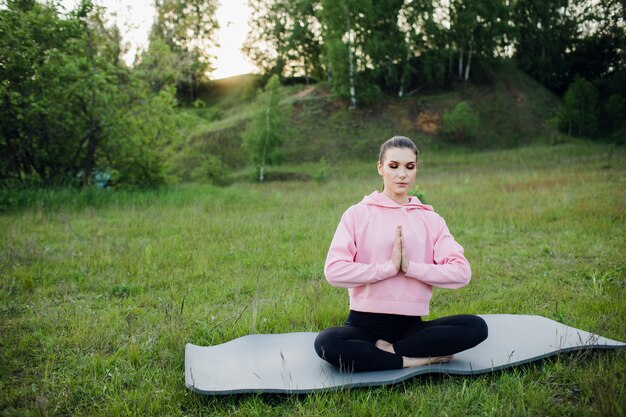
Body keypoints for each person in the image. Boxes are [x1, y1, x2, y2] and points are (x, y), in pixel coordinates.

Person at [314, 136, 488, 372]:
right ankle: (412, 360)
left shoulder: (431, 219)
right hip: (363, 326)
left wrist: (411, 267)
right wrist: (389, 267)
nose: (402, 174)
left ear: (416, 169)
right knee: (326, 343)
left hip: (410, 329)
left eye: (410, 166)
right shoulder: (357, 214)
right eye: (393, 166)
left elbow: (461, 272)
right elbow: (334, 272)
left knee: (476, 327)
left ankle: (390, 352)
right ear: (380, 168)